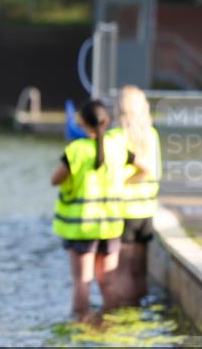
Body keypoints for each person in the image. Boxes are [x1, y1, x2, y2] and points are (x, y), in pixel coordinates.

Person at [51, 100, 149, 321]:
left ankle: (81, 324)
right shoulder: (118, 148)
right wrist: (125, 182)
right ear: (107, 121)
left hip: (82, 228)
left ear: (82, 122)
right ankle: (109, 323)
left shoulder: (76, 151)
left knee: (82, 280)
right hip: (111, 226)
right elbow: (144, 169)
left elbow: (55, 180)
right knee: (108, 280)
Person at [108, 86, 161, 304]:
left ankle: (123, 313)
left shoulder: (115, 137)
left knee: (122, 271)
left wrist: (122, 182)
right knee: (139, 270)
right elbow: (154, 170)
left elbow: (112, 173)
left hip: (124, 211)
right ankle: (138, 316)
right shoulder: (151, 134)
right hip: (146, 210)